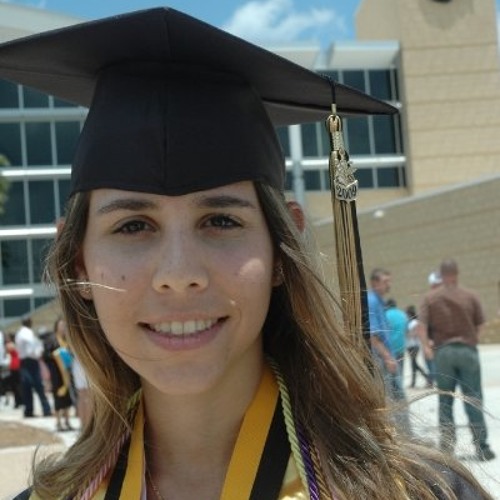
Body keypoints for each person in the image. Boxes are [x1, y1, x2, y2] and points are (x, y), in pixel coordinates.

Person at [0, 8, 491, 499]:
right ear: (78, 263)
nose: (179, 273)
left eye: (220, 221)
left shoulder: (413, 491)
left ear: (282, 247)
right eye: (132, 226)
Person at [419, 259, 495, 462]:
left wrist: (426, 346)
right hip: (467, 351)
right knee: (473, 398)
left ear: (441, 275)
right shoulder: (471, 295)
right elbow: (481, 324)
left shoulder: (430, 298)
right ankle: (482, 447)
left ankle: (447, 448)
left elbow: (421, 325)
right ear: (457, 273)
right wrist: (473, 340)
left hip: (444, 353)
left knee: (445, 400)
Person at [367, 269, 411, 434]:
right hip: (381, 359)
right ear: (374, 283)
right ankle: (402, 436)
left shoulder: (379, 302)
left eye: (389, 281)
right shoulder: (372, 301)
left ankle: (403, 434)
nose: (388, 285)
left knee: (396, 397)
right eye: (385, 281)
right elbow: (372, 334)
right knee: (393, 398)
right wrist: (387, 357)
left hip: (385, 357)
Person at [14, 317, 52, 418]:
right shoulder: (28, 333)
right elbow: (32, 350)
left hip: (23, 362)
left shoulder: (18, 334)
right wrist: (38, 353)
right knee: (38, 385)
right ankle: (46, 409)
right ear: (29, 323)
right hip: (31, 361)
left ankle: (28, 410)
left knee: (26, 387)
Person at [42, 319, 75, 432]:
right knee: (58, 397)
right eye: (61, 325)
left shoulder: (67, 339)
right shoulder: (51, 339)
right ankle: (58, 422)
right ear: (56, 326)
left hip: (67, 372)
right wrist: (55, 355)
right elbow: (45, 355)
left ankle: (67, 421)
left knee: (67, 398)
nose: (63, 327)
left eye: (64, 325)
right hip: (56, 373)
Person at [405, 305, 431, 389]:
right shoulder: (410, 322)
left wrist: (408, 334)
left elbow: (415, 333)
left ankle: (428, 379)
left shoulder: (415, 322)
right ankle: (414, 382)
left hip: (414, 345)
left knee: (414, 364)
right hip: (410, 345)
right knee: (413, 364)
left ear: (409, 314)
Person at [385, 298, 408, 375]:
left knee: (391, 374)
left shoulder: (385, 315)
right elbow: (406, 330)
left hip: (389, 348)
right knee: (400, 371)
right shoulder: (403, 315)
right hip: (401, 346)